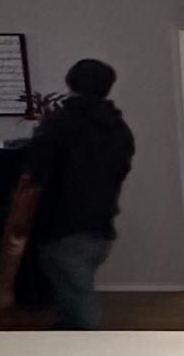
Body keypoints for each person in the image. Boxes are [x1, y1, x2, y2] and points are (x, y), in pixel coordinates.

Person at [25, 58, 135, 329]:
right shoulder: (118, 128)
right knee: (71, 294)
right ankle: (69, 354)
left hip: (62, 226)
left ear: (70, 83)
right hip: (101, 225)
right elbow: (120, 170)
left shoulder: (61, 124)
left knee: (77, 297)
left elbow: (37, 172)